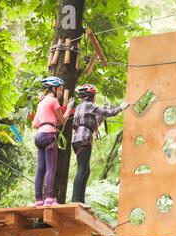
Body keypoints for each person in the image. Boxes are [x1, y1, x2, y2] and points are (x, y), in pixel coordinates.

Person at [71, 84, 131, 203]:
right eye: (95, 95)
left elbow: (91, 123)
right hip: (85, 139)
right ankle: (76, 199)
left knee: (85, 170)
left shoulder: (79, 107)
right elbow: (109, 112)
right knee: (82, 169)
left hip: (77, 139)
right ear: (91, 96)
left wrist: (99, 117)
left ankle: (80, 199)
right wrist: (122, 107)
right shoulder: (90, 105)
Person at [32, 76, 74, 206]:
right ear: (54, 89)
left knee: (40, 170)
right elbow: (62, 121)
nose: (61, 92)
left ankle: (39, 200)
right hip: (49, 134)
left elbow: (35, 124)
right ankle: (49, 198)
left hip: (39, 136)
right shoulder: (53, 101)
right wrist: (68, 108)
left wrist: (48, 119)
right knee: (51, 168)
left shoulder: (41, 103)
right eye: (60, 89)